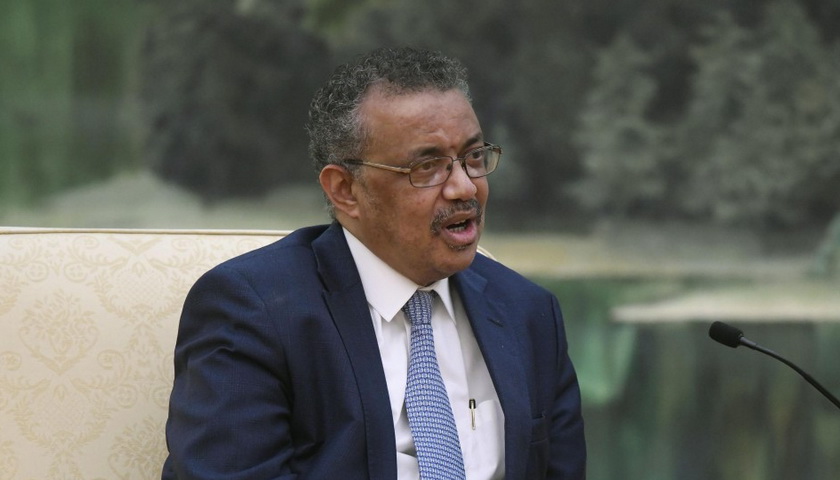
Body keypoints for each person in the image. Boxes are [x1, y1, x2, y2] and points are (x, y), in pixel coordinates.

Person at [162, 46, 586, 480]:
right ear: (345, 190)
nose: (464, 187)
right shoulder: (254, 312)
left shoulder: (528, 312)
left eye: (473, 157)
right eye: (428, 166)